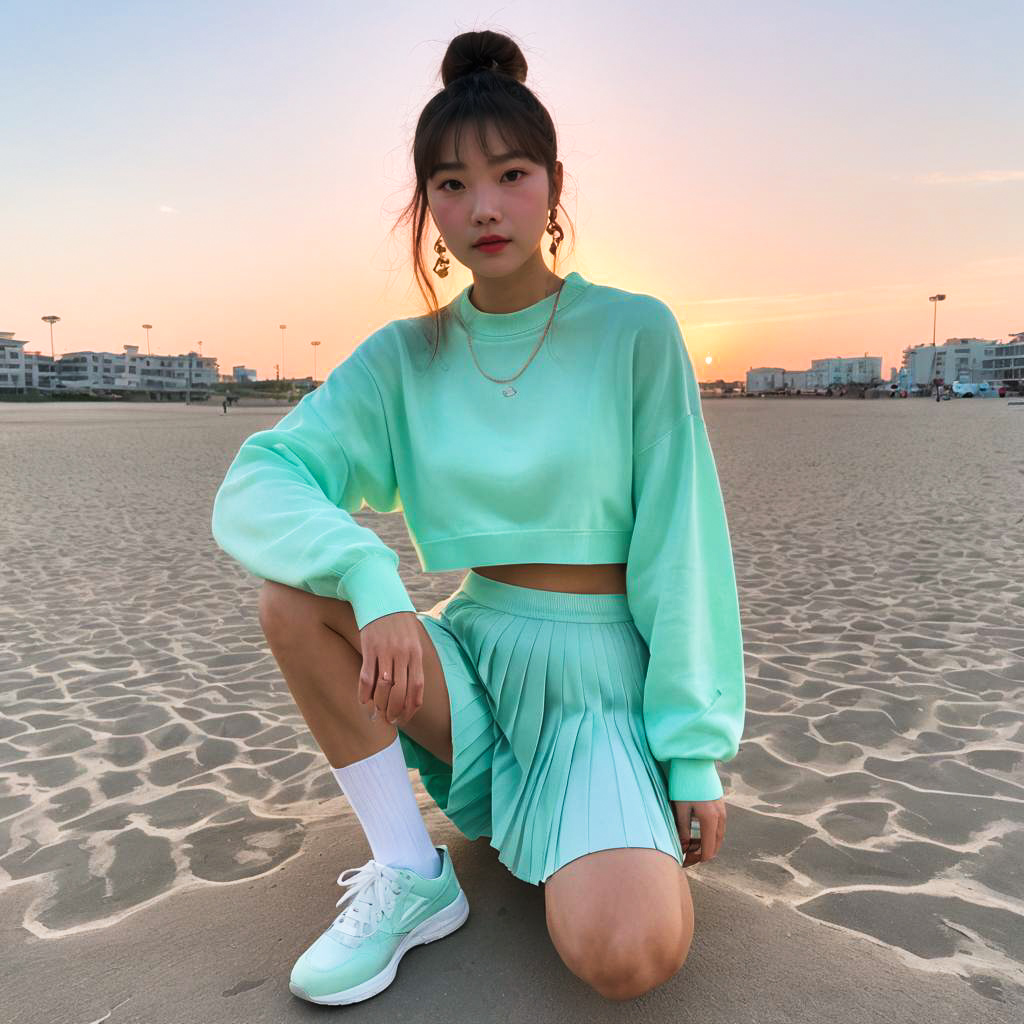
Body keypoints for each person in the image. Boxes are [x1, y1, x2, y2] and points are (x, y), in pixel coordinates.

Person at [210, 29, 745, 1007]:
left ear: (553, 183)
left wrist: (691, 748)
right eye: (450, 185)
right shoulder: (404, 356)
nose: (483, 207)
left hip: (601, 688)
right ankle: (412, 872)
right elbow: (262, 477)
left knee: (627, 956)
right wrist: (368, 575)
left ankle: (583, 814)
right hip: (474, 659)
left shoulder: (635, 331)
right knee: (295, 598)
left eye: (509, 173)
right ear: (428, 206)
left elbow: (682, 546)